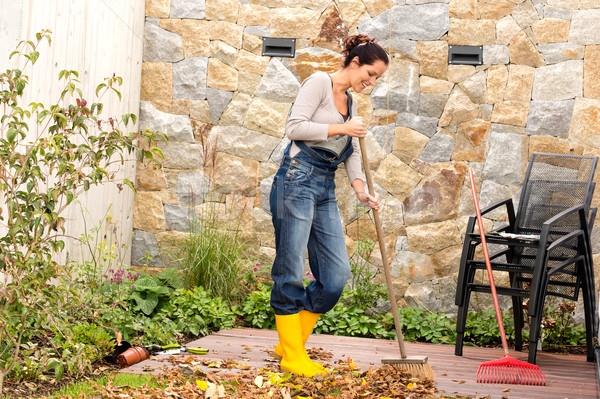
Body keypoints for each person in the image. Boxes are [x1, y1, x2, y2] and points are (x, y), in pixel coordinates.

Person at [269, 34, 389, 377]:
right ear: (354, 63)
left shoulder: (351, 103)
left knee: (335, 277)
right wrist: (343, 126)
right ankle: (293, 355)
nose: (372, 81)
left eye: (377, 77)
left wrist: (361, 189)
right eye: (371, 73)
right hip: (295, 179)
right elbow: (295, 128)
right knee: (290, 269)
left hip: (324, 185)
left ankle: (288, 342)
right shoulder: (320, 82)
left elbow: (349, 152)